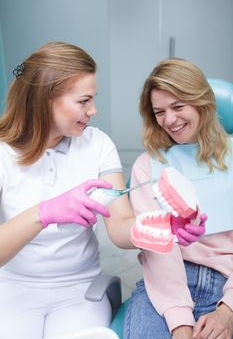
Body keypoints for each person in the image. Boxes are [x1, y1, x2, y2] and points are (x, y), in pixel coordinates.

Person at [0, 42, 204, 339]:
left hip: (78, 290)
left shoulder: (98, 145)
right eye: (83, 101)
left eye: (93, 99)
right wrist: (42, 213)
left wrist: (160, 227)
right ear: (45, 98)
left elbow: (120, 226)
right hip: (12, 289)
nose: (93, 110)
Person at [123, 58, 233, 339]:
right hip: (164, 284)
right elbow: (160, 252)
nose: (169, 120)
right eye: (159, 112)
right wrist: (180, 323)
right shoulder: (147, 166)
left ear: (202, 102)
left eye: (178, 106)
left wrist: (228, 310)